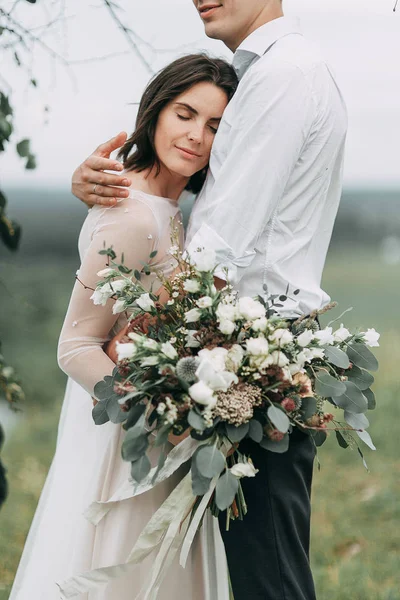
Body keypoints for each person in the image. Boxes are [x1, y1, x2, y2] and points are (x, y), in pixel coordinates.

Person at [71, 2, 348, 599]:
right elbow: (189, 200)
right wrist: (106, 197)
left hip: (252, 369)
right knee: (255, 574)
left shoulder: (282, 76)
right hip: (233, 369)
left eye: (213, 124)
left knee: (267, 580)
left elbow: (223, 242)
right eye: (186, 115)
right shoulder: (274, 72)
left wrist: (154, 331)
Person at [9, 54, 238, 600]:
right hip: (130, 435)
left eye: (215, 126)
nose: (196, 136)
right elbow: (76, 345)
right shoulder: (134, 213)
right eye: (185, 114)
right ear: (156, 110)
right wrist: (161, 414)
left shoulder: (172, 206)